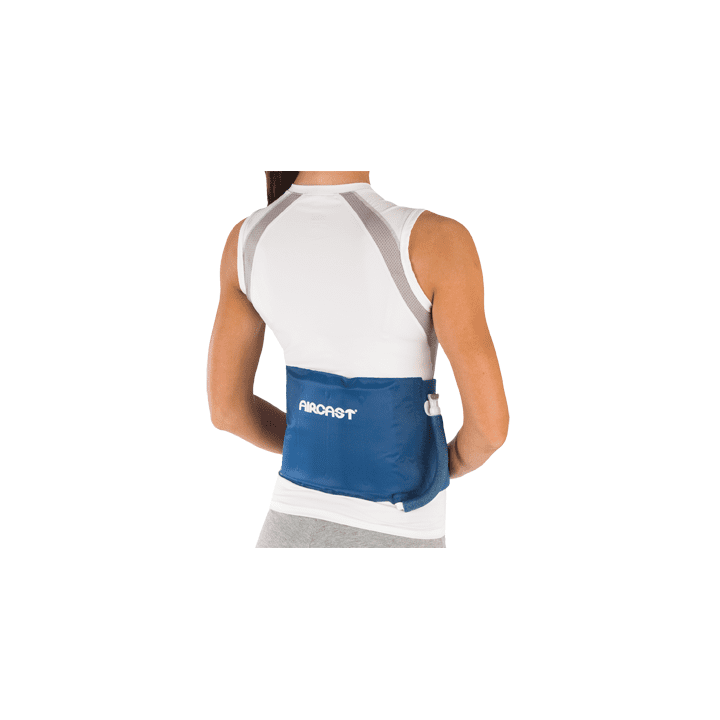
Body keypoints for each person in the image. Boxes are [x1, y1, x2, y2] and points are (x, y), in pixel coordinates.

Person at [207, 171, 509, 547]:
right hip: (400, 527)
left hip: (287, 528)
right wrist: (441, 463)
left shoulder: (247, 240)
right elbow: (489, 431)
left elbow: (227, 411)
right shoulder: (435, 239)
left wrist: (327, 447)